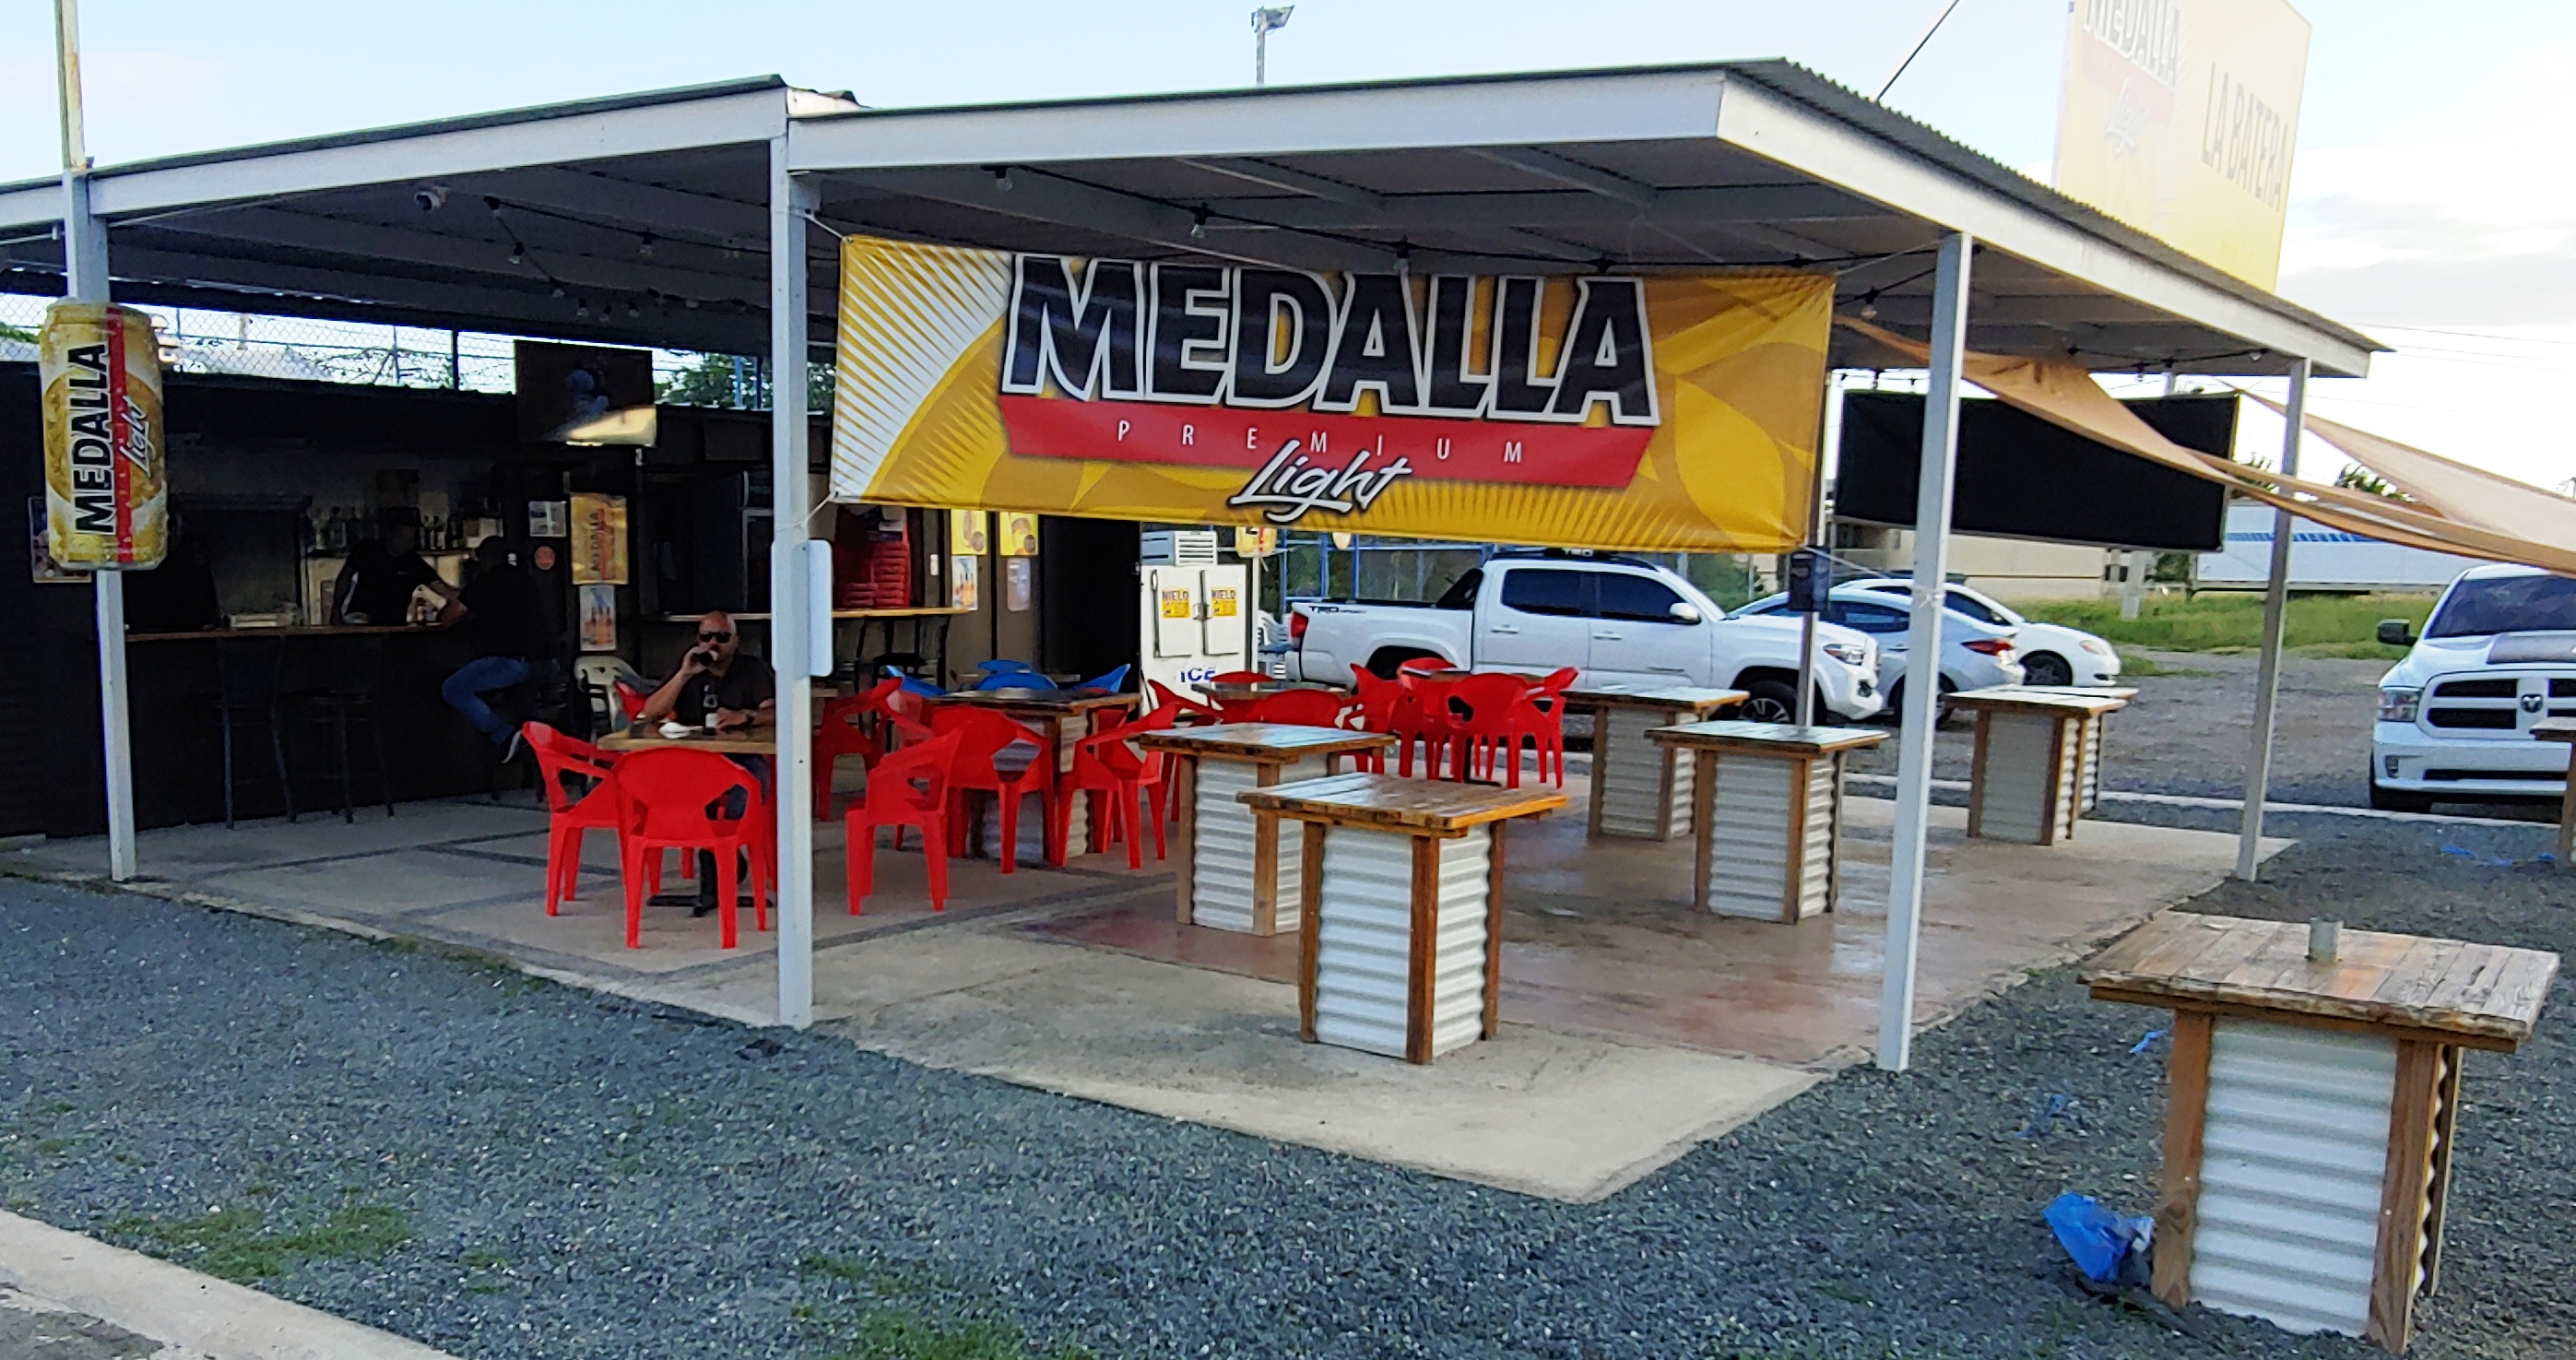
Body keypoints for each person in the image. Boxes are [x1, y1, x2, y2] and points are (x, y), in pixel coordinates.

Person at [439, 537, 546, 762]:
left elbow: (448, 618)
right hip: (540, 662)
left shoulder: (486, 583)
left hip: (506, 660)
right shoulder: (527, 580)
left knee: (453, 689)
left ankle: (505, 735)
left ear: (484, 557)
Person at [639, 611, 774, 731]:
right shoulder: (688, 666)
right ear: (698, 640)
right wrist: (684, 674)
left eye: (722, 637)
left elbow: (774, 713)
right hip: (694, 746)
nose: (713, 643)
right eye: (706, 637)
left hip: (739, 747)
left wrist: (745, 716)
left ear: (736, 641)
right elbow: (650, 713)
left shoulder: (752, 668)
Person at [333, 510, 455, 625]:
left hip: (394, 624)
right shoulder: (367, 550)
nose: (407, 545)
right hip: (361, 620)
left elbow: (439, 587)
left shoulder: (413, 562)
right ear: (389, 534)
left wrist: (458, 598)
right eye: (402, 539)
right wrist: (336, 608)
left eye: (410, 540)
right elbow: (344, 578)